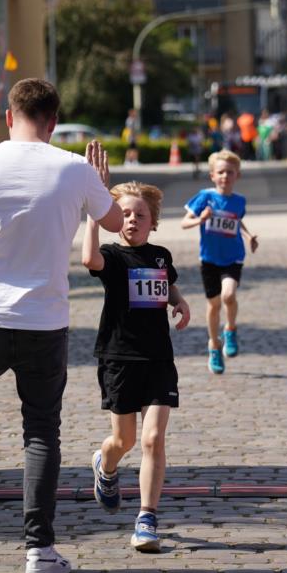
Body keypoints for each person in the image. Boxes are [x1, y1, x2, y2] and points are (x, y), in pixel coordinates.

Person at [0, 79, 124, 573]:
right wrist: (96, 184)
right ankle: (39, 550)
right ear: (53, 122)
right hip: (44, 321)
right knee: (41, 431)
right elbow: (119, 218)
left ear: (8, 114)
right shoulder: (75, 168)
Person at [82, 169, 190, 552]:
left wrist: (178, 301)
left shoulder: (161, 255)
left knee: (153, 438)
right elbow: (88, 258)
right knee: (123, 440)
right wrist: (95, 214)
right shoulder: (112, 256)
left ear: (153, 222)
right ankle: (105, 465)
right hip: (119, 358)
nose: (131, 220)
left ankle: (147, 518)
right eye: (124, 214)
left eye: (139, 215)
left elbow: (168, 278)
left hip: (158, 358)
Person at [181, 149, 258, 375]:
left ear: (237, 176)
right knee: (214, 305)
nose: (225, 176)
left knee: (228, 295)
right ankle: (214, 345)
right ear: (213, 175)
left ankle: (231, 329)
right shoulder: (205, 197)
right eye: (221, 172)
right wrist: (200, 220)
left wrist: (249, 236)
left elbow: (237, 223)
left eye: (230, 172)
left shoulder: (239, 201)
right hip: (209, 259)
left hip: (233, 257)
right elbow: (184, 222)